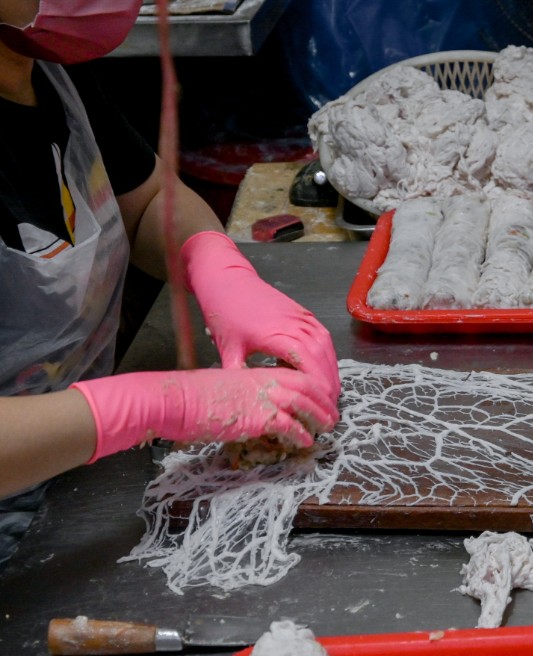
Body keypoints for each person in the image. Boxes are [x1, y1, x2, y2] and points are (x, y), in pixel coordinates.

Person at [0, 0, 342, 567]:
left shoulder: (45, 71)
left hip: (79, 487)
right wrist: (143, 406)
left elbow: (150, 200)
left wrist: (215, 265)